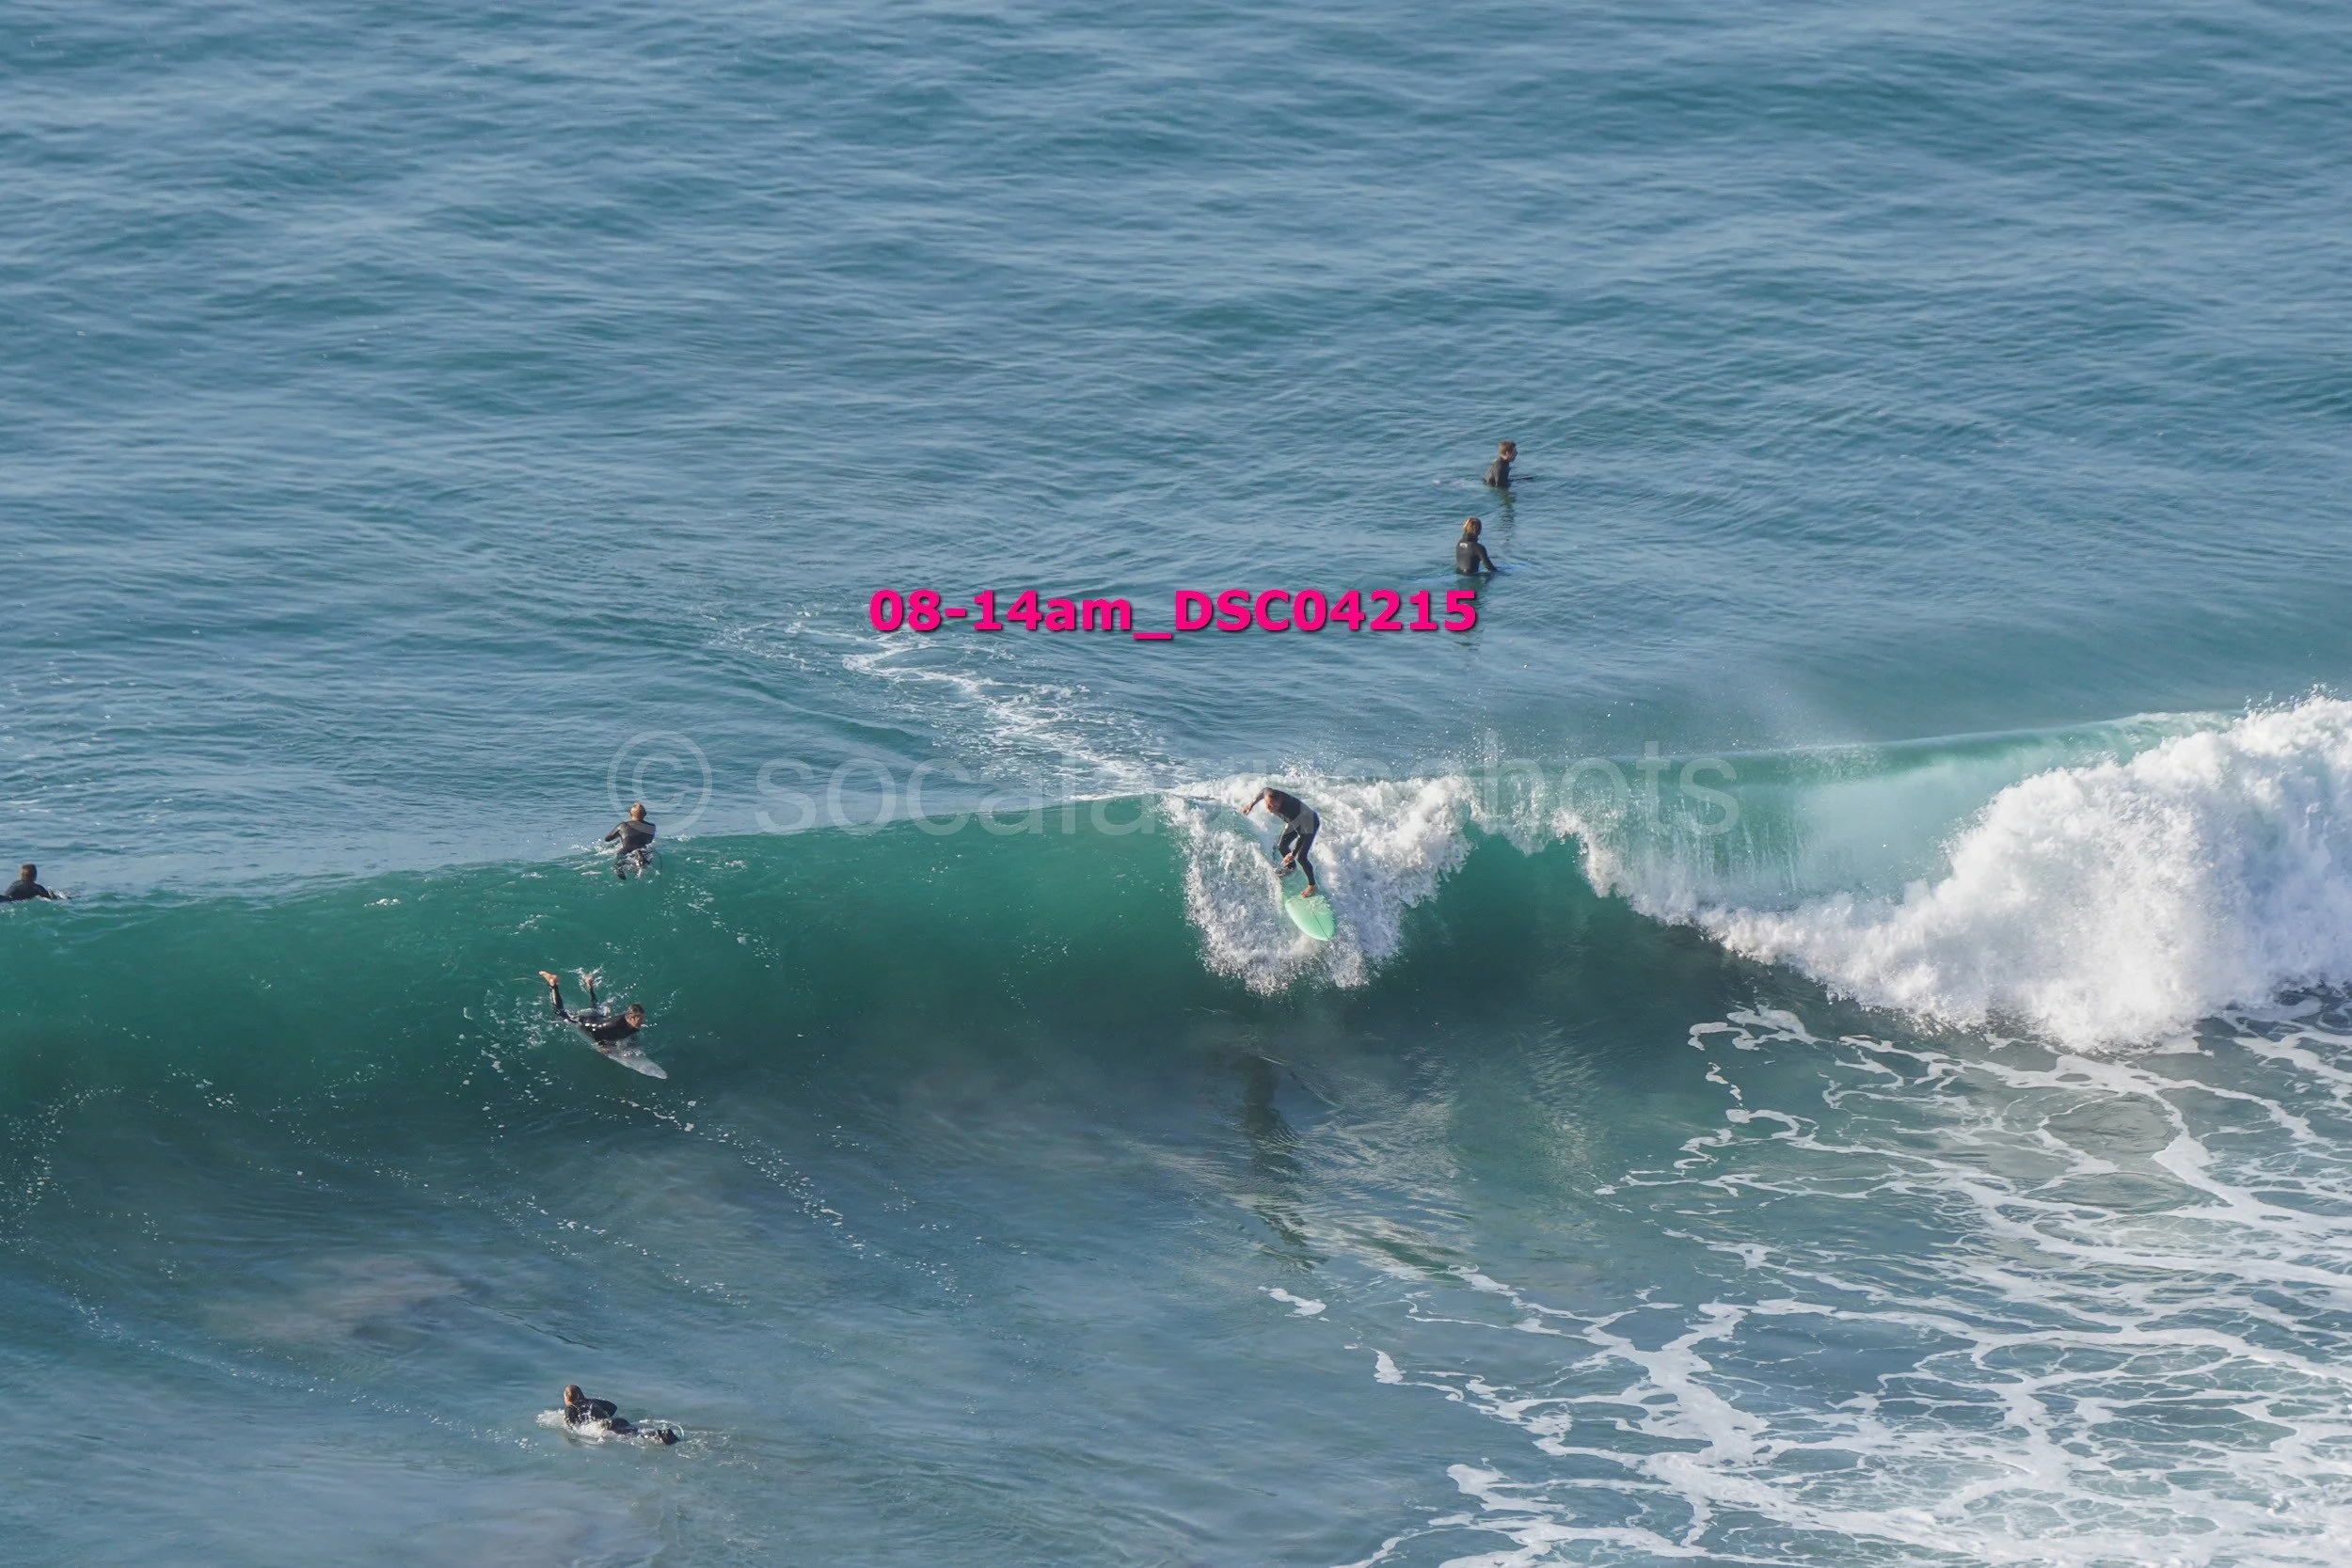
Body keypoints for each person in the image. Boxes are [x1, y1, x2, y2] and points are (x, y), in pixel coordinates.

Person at [540, 971, 646, 1054]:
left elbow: (630, 1034)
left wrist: (630, 1047)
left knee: (598, 1008)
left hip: (599, 1018)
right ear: (631, 1018)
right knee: (560, 1013)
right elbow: (596, 1031)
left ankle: (589, 985)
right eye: (640, 1019)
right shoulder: (613, 1025)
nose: (642, 1022)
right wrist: (601, 1046)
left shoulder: (633, 1026)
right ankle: (553, 984)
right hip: (587, 1023)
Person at [1244, 786, 1321, 898]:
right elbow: (1264, 791)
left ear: (1280, 802)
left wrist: (1293, 854)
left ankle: (1313, 885)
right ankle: (1291, 867)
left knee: (1301, 857)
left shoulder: (1289, 810)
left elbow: (1302, 834)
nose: (1271, 807)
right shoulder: (1270, 794)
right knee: (1282, 846)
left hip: (1309, 823)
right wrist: (1251, 804)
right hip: (1295, 822)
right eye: (1269, 804)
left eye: (1274, 806)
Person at [562, 1385, 678, 1444]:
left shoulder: (570, 1409)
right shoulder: (593, 1402)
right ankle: (661, 1434)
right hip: (616, 1421)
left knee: (636, 1436)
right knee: (637, 1433)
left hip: (606, 1427)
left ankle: (661, 1435)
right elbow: (613, 1407)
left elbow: (572, 1425)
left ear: (568, 1399)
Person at [602, 803, 657, 879]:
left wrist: (620, 833)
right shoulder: (652, 827)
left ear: (630, 814)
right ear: (645, 814)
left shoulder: (623, 826)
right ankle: (639, 857)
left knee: (619, 862)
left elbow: (607, 839)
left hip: (626, 852)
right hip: (645, 852)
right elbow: (649, 840)